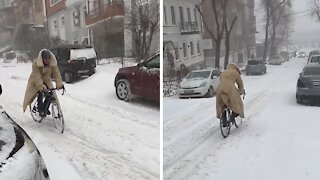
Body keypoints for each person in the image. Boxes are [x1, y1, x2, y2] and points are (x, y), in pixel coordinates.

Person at [23, 49, 63, 117]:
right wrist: (41, 85)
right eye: (45, 59)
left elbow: (56, 74)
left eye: (49, 58)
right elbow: (37, 76)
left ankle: (45, 108)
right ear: (42, 59)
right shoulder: (36, 63)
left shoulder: (52, 64)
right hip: (35, 81)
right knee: (40, 93)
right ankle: (40, 109)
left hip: (46, 81)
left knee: (50, 94)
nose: (47, 60)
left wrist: (59, 83)